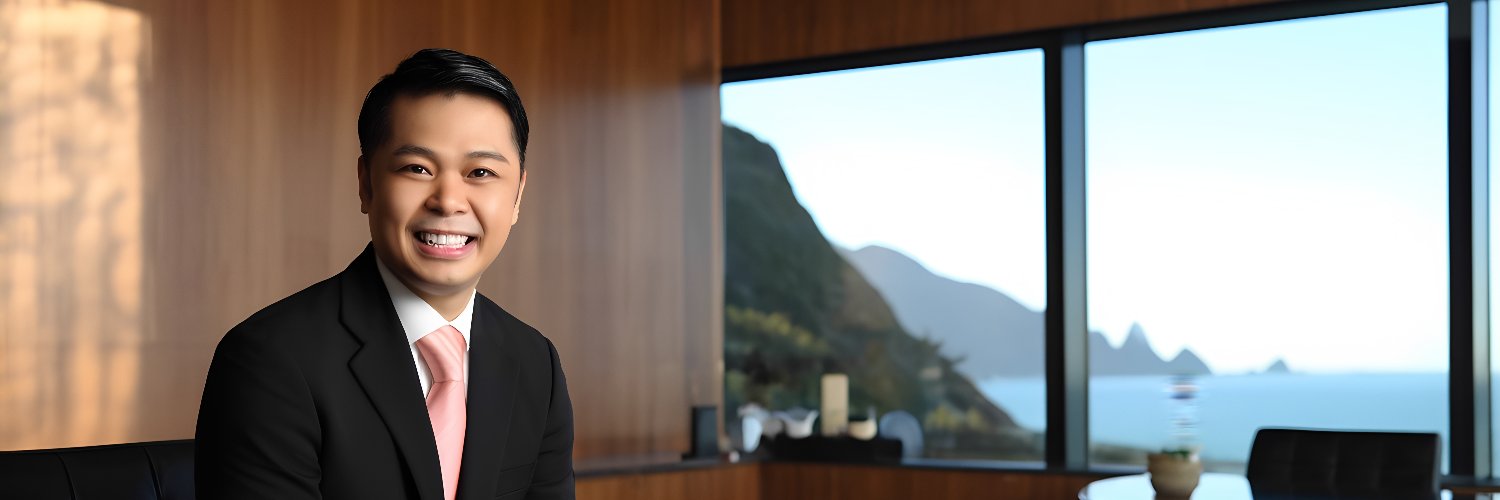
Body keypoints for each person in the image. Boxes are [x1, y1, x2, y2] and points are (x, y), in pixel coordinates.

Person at [195, 48, 574, 500]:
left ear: (517, 197)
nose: (448, 201)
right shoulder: (271, 360)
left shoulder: (535, 364)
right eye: (417, 168)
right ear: (367, 183)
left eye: (480, 171)